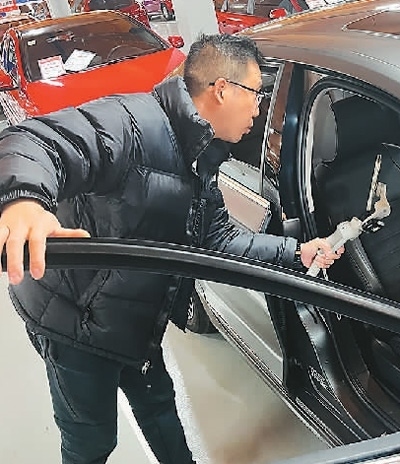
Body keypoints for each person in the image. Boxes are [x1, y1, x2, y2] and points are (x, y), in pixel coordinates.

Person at [0, 33, 343, 464]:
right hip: (74, 322)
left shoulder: (202, 158)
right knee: (91, 441)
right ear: (222, 89)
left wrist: (296, 252)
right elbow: (35, 141)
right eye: (256, 94)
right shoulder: (130, 122)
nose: (259, 110)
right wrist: (24, 201)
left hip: (135, 319)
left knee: (159, 407)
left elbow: (219, 239)